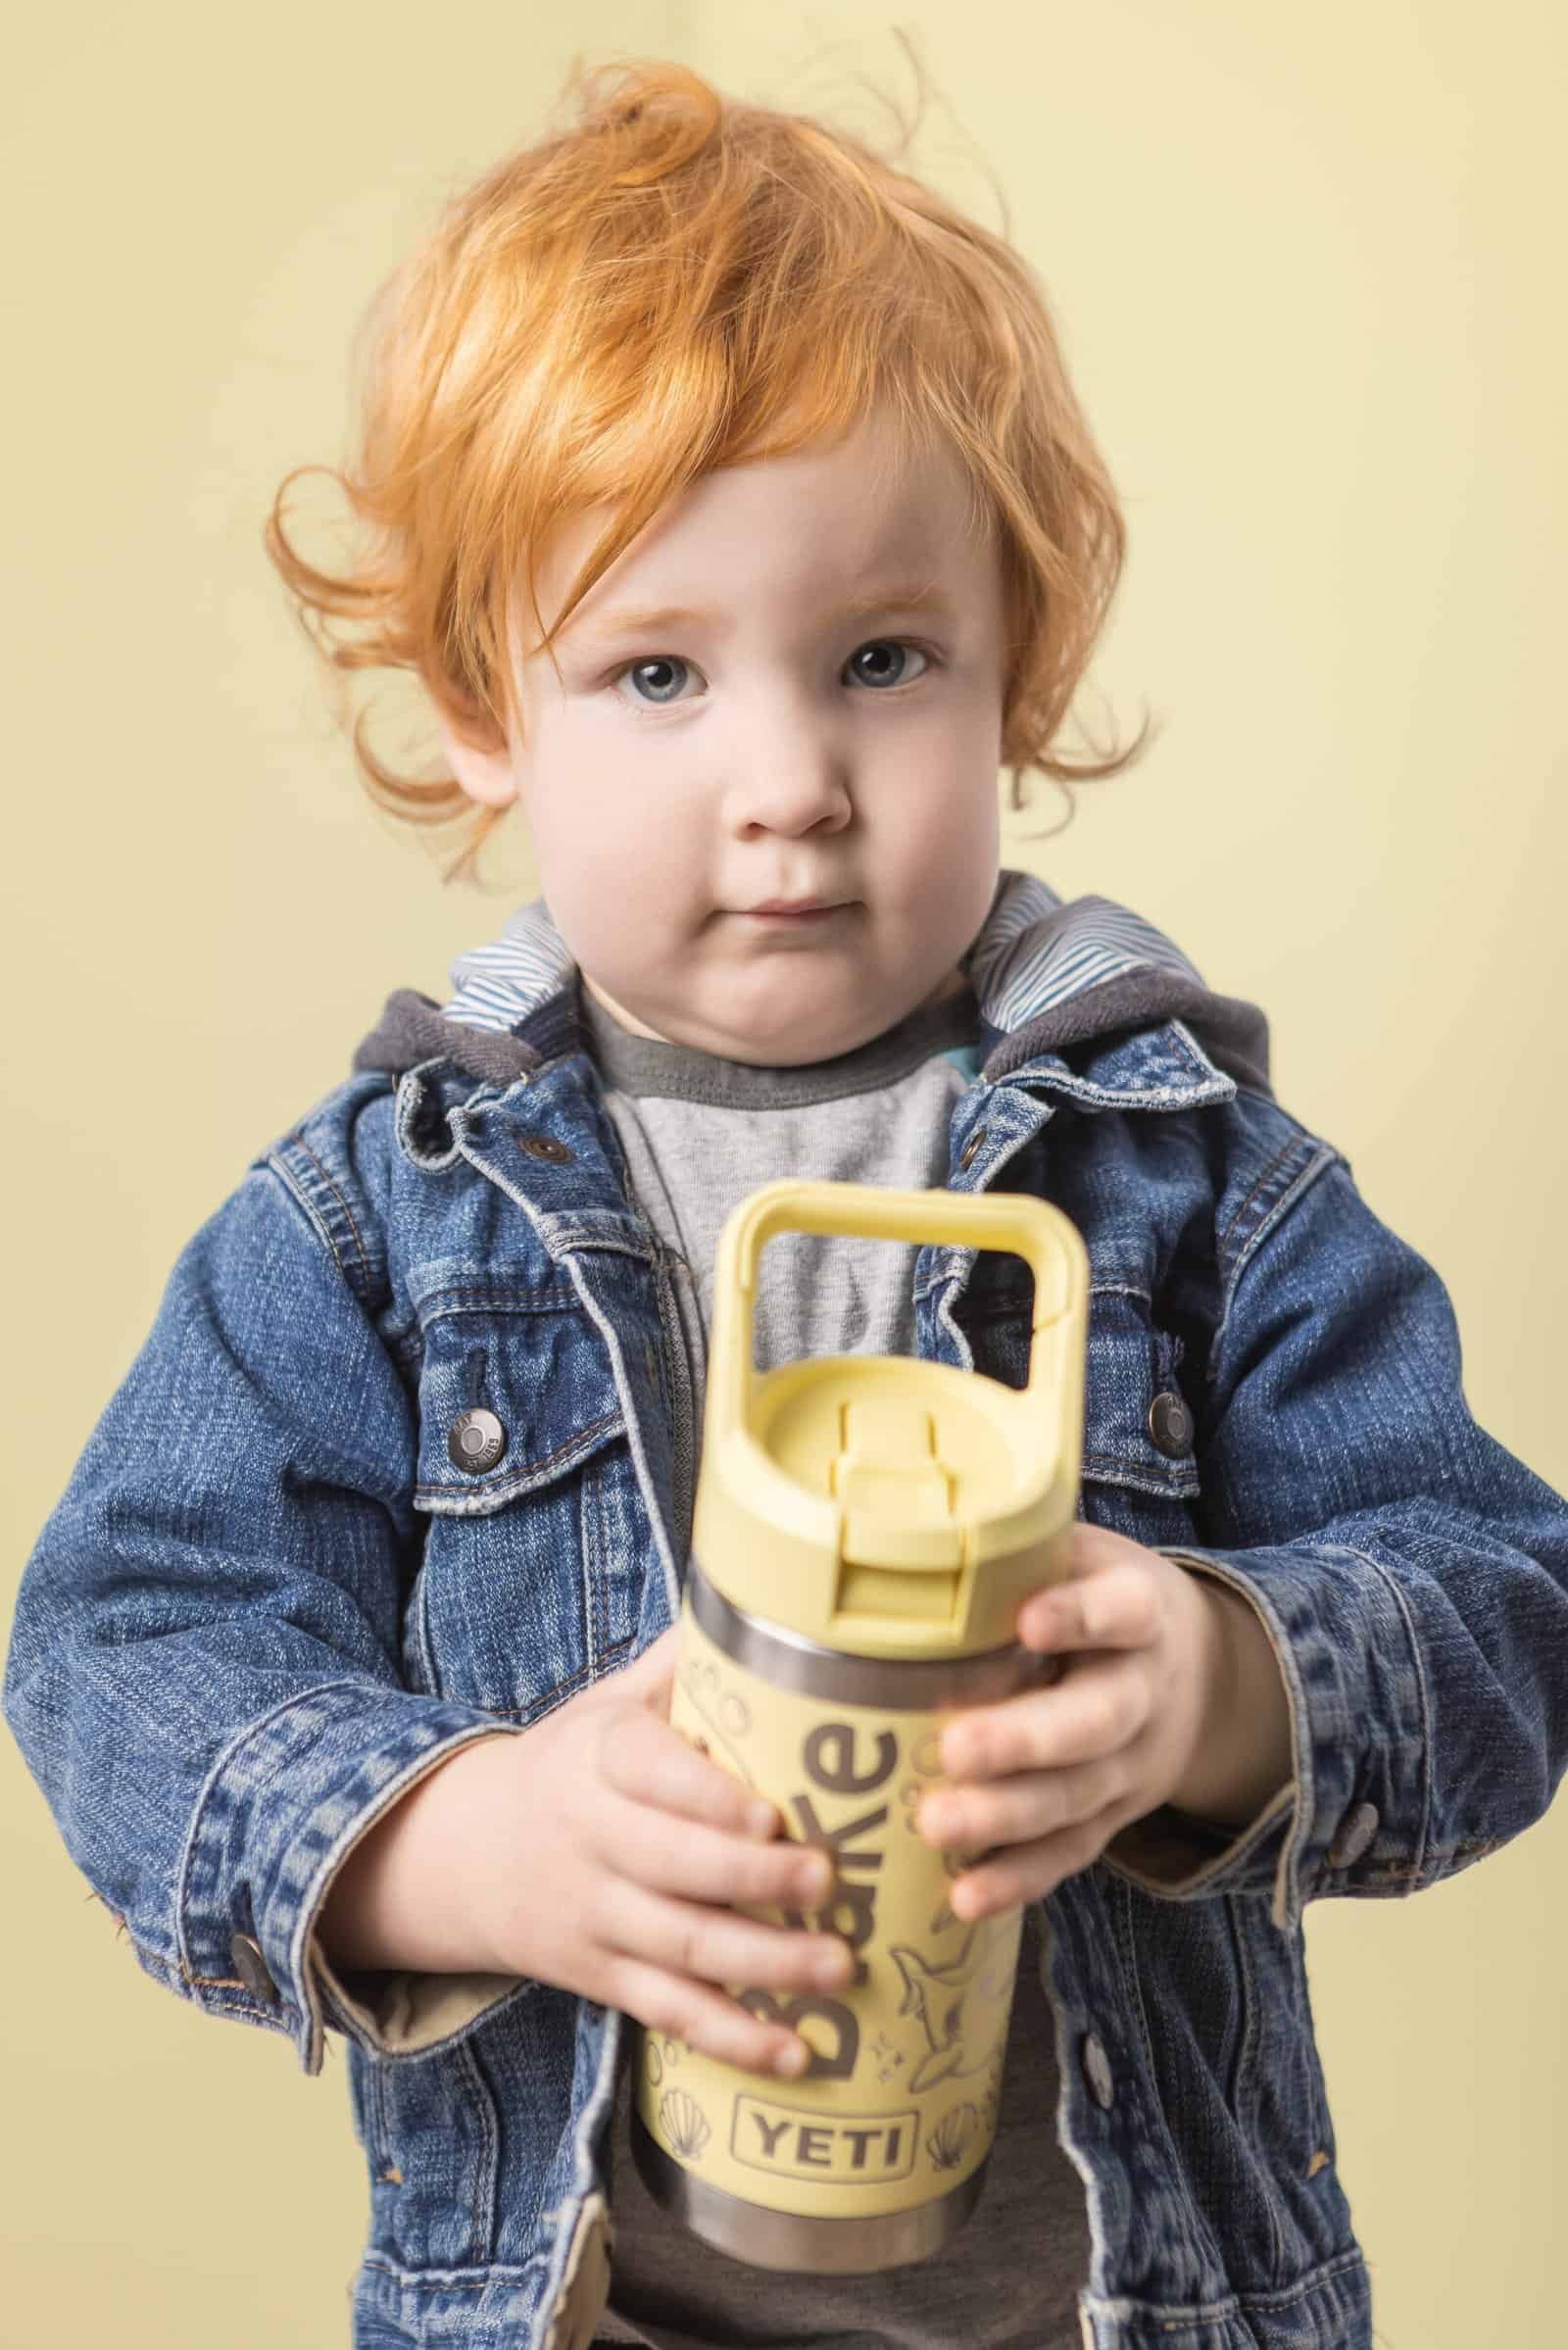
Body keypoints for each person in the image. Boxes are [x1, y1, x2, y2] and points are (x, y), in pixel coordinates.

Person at [6, 51, 1567, 2350]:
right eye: (654, 670)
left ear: (1015, 662)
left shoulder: (1175, 1166)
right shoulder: (383, 1220)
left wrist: (1218, 1690)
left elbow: (1502, 1602)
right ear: (482, 706)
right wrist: (471, 1838)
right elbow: (122, 1640)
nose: (789, 785)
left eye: (878, 661)